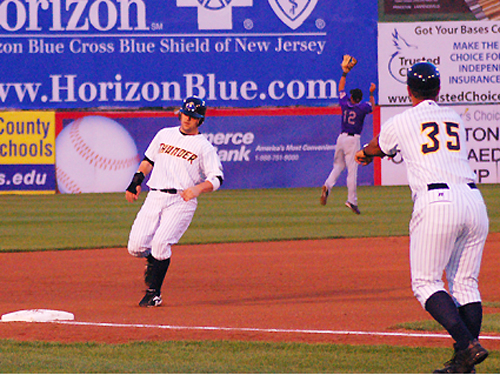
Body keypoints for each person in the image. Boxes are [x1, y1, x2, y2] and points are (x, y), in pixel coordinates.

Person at [355, 62, 489, 373]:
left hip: (437, 201)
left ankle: (467, 345)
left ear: (408, 91)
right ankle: (464, 364)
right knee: (465, 284)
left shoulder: (403, 119)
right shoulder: (454, 117)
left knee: (426, 282)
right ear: (438, 90)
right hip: (473, 200)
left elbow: (378, 146)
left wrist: (365, 152)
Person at [125, 96, 224, 307]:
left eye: (193, 116)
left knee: (161, 244)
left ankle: (154, 293)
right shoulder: (164, 134)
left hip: (181, 201)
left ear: (200, 120)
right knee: (135, 247)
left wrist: (197, 189)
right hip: (155, 196)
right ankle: (154, 261)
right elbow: (148, 159)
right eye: (185, 114)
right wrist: (136, 181)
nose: (187, 119)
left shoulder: (203, 146)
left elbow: (217, 178)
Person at [320, 54, 376, 215]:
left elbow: (341, 89)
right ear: (360, 98)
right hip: (353, 140)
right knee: (352, 171)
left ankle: (327, 185)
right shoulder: (362, 107)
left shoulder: (345, 103)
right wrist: (372, 93)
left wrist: (344, 73)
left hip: (341, 138)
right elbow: (372, 106)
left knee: (338, 166)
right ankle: (352, 201)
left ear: (352, 97)